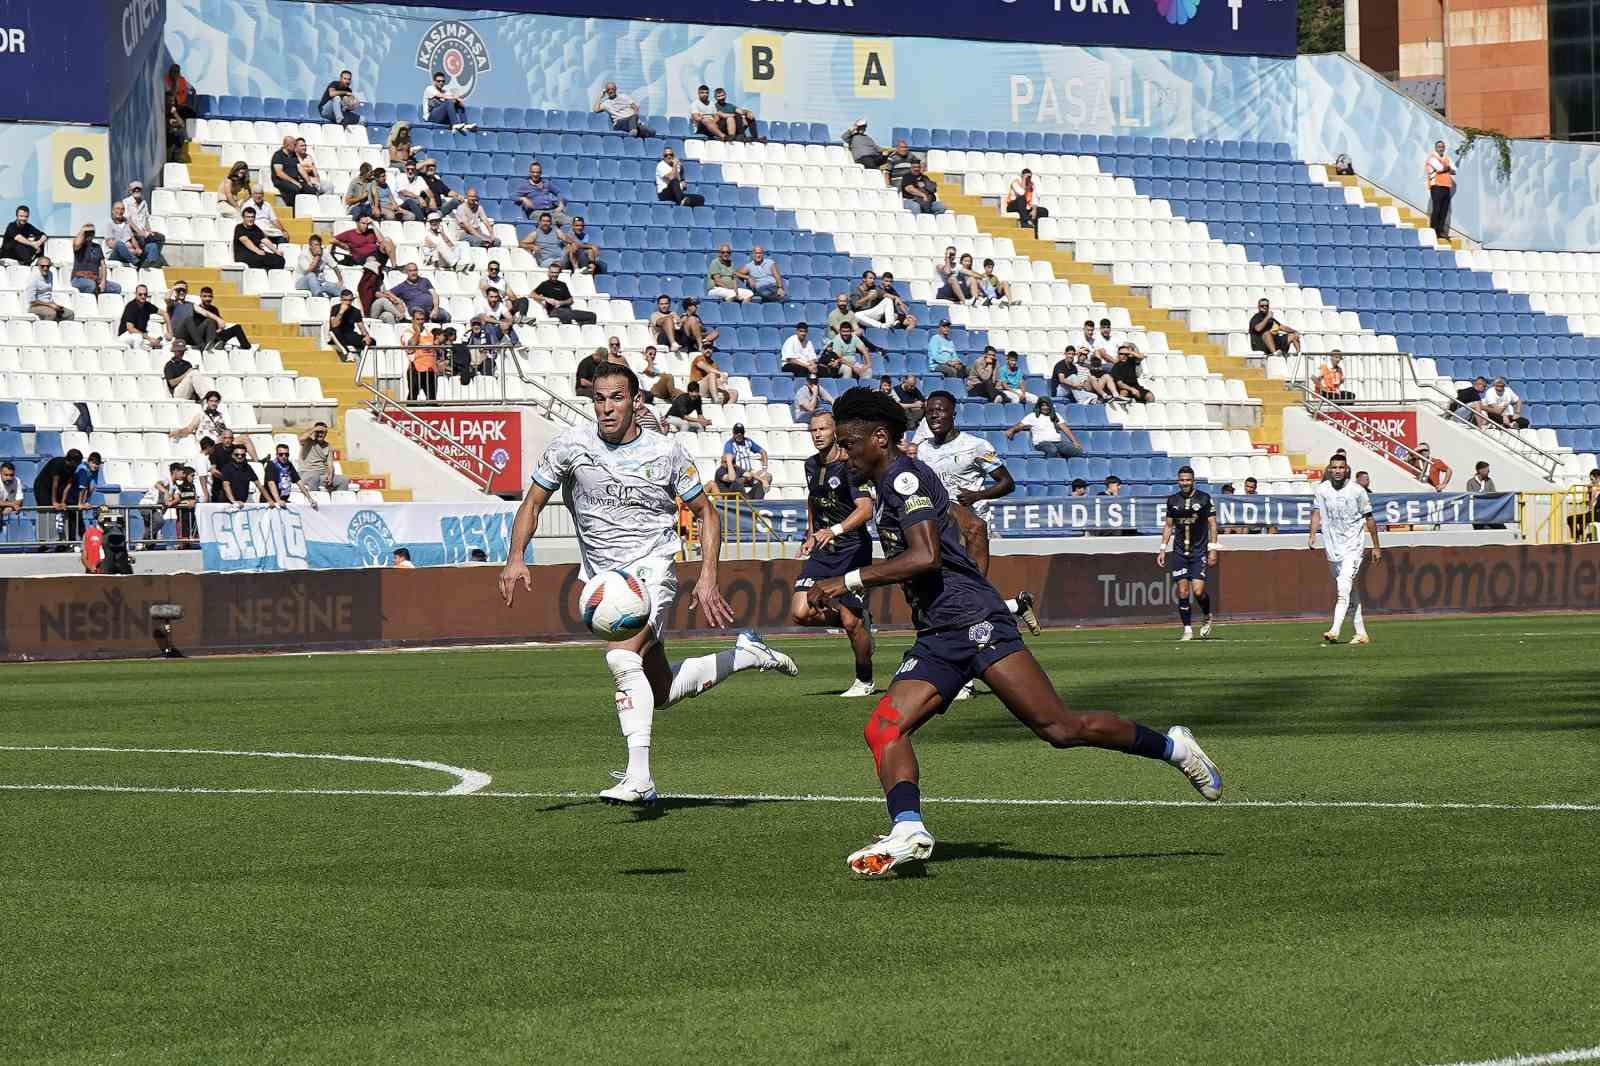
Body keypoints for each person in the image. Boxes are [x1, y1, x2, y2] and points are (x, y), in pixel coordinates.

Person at [808, 389, 1221, 875]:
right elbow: (958, 528)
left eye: (850, 443)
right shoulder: (896, 482)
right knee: (883, 728)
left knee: (1060, 729)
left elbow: (925, 556)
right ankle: (908, 828)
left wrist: (847, 580)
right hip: (940, 631)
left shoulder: (901, 478)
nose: (843, 454)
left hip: (975, 622)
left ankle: (1175, 748)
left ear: (880, 438)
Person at [498, 361, 799, 804]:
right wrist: (515, 558)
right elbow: (534, 502)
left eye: (617, 397)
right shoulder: (570, 447)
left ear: (636, 401)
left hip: (651, 569)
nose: (606, 407)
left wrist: (707, 576)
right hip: (602, 578)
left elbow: (706, 512)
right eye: (599, 399)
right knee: (658, 691)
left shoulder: (666, 451)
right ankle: (744, 655)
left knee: (621, 658)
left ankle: (640, 775)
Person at [910, 391, 1039, 651]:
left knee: (966, 595)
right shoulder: (922, 450)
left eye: (940, 410)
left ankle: (967, 672)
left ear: (953, 414)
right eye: (930, 410)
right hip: (939, 528)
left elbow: (1007, 482)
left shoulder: (975, 446)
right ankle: (1013, 607)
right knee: (959, 597)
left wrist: (978, 494)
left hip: (971, 529)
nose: (934, 415)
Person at [790, 410, 878, 697]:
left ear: (834, 431)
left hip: (853, 549)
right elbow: (814, 498)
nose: (817, 434)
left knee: (852, 624)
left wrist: (836, 529)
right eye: (813, 430)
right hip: (825, 550)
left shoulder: (851, 467)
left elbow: (866, 509)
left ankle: (864, 680)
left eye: (823, 429)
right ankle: (856, 620)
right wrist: (811, 533)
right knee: (800, 611)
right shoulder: (810, 466)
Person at [1309, 454, 1382, 645]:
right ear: (1329, 469)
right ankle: (1361, 633)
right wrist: (1312, 534)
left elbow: (1370, 518)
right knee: (1351, 591)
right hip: (1333, 547)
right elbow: (1316, 512)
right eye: (1334, 468)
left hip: (1353, 546)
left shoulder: (1357, 491)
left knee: (1343, 588)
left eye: (1341, 467)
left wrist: (1376, 546)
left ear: (1347, 469)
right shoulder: (1322, 490)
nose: (1338, 471)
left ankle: (1335, 629)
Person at [1157, 466, 1219, 643]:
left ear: (1193, 481)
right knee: (1183, 591)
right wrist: (1162, 548)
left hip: (1199, 551)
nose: (1185, 483)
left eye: (1188, 480)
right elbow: (1169, 526)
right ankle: (1187, 629)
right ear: (1178, 481)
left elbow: (1213, 524)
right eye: (1182, 480)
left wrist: (1213, 548)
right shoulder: (1172, 500)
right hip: (1179, 552)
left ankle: (1207, 615)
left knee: (1198, 591)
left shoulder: (1204, 498)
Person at [1006, 397, 1084, 460]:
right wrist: (1012, 430)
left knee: (1077, 451)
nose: (1045, 407)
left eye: (1047, 405)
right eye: (1043, 405)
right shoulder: (1033, 415)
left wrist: (1075, 442)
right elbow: (1020, 425)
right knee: (1052, 450)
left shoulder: (1055, 415)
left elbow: (1065, 428)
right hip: (1041, 443)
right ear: (1039, 406)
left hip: (1058, 443)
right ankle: (1052, 468)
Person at [182, 287, 252, 351]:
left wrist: (219, 329)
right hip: (202, 337)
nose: (207, 299)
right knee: (209, 321)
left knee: (237, 327)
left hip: (215, 335)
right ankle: (214, 344)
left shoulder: (214, 309)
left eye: (210, 296)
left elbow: (220, 325)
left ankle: (246, 347)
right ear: (201, 297)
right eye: (205, 296)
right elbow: (196, 329)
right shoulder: (197, 309)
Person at [715, 423, 772, 499]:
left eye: (741, 432)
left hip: (745, 472)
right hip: (737, 476)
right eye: (737, 432)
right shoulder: (729, 445)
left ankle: (758, 502)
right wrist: (731, 464)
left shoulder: (748, 441)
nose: (739, 434)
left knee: (767, 476)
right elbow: (728, 461)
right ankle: (746, 501)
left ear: (744, 432)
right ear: (733, 433)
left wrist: (764, 469)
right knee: (738, 482)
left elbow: (763, 452)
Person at [117, 182, 166, 267]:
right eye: (134, 189)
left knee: (160, 237)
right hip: (132, 232)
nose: (136, 190)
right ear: (130, 191)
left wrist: (149, 231)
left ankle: (150, 260)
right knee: (144, 240)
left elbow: (146, 219)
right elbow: (128, 220)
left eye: (138, 189)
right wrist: (139, 231)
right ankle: (149, 259)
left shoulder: (144, 203)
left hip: (143, 232)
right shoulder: (126, 202)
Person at [70, 224, 120, 296]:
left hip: (95, 279)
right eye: (87, 232)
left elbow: (103, 266)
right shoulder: (79, 246)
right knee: (91, 285)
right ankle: (93, 297)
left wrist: (103, 282)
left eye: (92, 232)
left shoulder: (97, 247)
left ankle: (97, 292)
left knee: (117, 288)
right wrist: (83, 230)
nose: (89, 234)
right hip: (79, 279)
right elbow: (76, 244)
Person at [300, 423, 351, 492]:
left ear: (326, 433)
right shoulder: (308, 441)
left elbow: (330, 465)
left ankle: (338, 501)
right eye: (318, 432)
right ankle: (315, 499)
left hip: (322, 476)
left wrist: (330, 477)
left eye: (322, 432)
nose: (320, 434)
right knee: (315, 476)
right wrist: (315, 428)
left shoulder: (328, 446)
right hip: (306, 474)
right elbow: (301, 438)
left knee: (343, 479)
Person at [232, 206, 286, 271]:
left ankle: (270, 276)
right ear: (243, 218)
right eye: (248, 217)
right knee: (264, 259)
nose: (250, 219)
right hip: (244, 255)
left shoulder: (255, 228)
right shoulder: (239, 227)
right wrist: (257, 250)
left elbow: (264, 240)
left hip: (256, 254)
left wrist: (276, 251)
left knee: (280, 259)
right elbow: (245, 241)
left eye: (252, 217)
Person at [327, 289, 375, 360]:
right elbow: (334, 325)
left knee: (372, 341)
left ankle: (363, 359)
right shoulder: (335, 308)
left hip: (349, 335)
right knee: (334, 331)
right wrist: (341, 312)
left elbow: (362, 327)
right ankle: (347, 353)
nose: (348, 302)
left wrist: (366, 337)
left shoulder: (356, 311)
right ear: (341, 300)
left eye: (350, 300)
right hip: (337, 334)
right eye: (345, 300)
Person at [403, 309, 439, 402]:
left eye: (422, 319)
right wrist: (417, 333)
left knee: (432, 398)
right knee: (413, 396)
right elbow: (410, 347)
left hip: (430, 369)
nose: (420, 322)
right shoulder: (408, 332)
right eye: (418, 319)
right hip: (415, 368)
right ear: (413, 320)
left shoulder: (429, 333)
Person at [1424, 139, 1456, 239]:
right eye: (1439, 147)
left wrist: (1447, 168)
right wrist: (1447, 168)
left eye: (1442, 147)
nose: (1441, 148)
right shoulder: (1432, 158)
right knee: (1437, 209)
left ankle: (1440, 231)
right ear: (1436, 148)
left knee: (1444, 210)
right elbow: (1440, 168)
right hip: (1436, 186)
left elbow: (1454, 170)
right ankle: (1433, 231)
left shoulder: (1447, 157)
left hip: (1446, 186)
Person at [262, 442, 308, 507]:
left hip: (283, 501)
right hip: (270, 502)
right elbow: (271, 484)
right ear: (277, 455)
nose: (284, 456)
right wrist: (278, 500)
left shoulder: (289, 465)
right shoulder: (270, 465)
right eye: (281, 454)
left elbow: (298, 481)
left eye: (286, 454)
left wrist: (310, 498)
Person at [271, 135, 308, 207]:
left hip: (295, 180)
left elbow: (300, 168)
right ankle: (293, 209)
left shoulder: (294, 155)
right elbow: (279, 173)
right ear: (287, 145)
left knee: (310, 189)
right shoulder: (278, 155)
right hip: (281, 180)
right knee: (295, 189)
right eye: (294, 145)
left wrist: (308, 181)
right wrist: (295, 182)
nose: (296, 146)